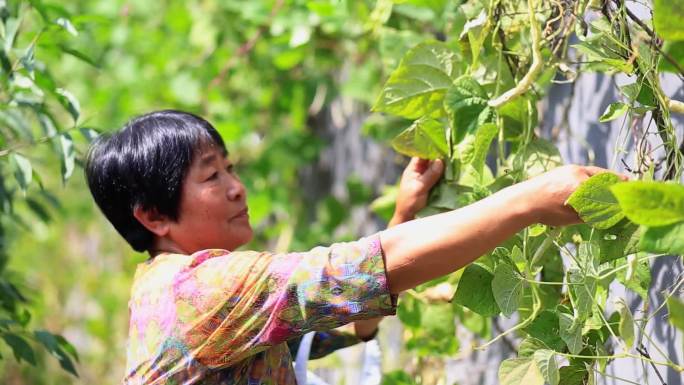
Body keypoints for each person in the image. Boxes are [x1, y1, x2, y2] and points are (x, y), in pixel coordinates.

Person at [85, 110, 621, 385]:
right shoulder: (197, 292)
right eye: (211, 176)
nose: (236, 186)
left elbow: (330, 320)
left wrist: (402, 217)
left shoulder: (165, 288)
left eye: (231, 166)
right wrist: (527, 200)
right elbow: (353, 275)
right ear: (153, 216)